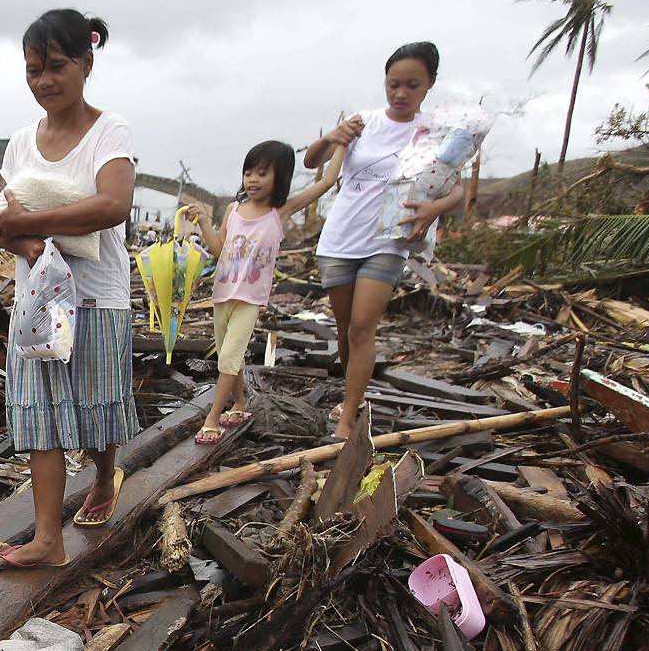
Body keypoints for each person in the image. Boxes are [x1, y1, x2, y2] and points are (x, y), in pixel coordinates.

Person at [0, 8, 137, 569]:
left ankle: (103, 472)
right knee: (40, 416)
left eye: (55, 66)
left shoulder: (108, 131)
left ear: (87, 62)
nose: (43, 81)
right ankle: (49, 539)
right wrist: (31, 246)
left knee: (95, 415)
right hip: (41, 299)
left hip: (95, 298)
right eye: (32, 70)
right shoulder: (21, 143)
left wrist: (30, 226)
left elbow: (114, 205)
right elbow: (7, 224)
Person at [304, 41, 466, 441]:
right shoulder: (364, 122)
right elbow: (311, 161)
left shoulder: (433, 134)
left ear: (429, 85)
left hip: (388, 240)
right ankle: (352, 395)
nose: (400, 94)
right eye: (394, 84)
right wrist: (331, 138)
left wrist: (433, 210)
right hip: (340, 238)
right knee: (344, 330)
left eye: (412, 85)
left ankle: (347, 422)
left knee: (362, 328)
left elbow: (456, 189)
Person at [187, 140, 344, 444]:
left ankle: (212, 417)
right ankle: (241, 403)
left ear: (280, 177)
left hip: (250, 298)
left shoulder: (279, 211)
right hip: (222, 293)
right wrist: (205, 223)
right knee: (228, 356)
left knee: (229, 357)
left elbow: (326, 181)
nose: (252, 179)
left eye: (261, 173)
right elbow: (219, 249)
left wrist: (341, 144)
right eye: (248, 173)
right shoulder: (233, 209)